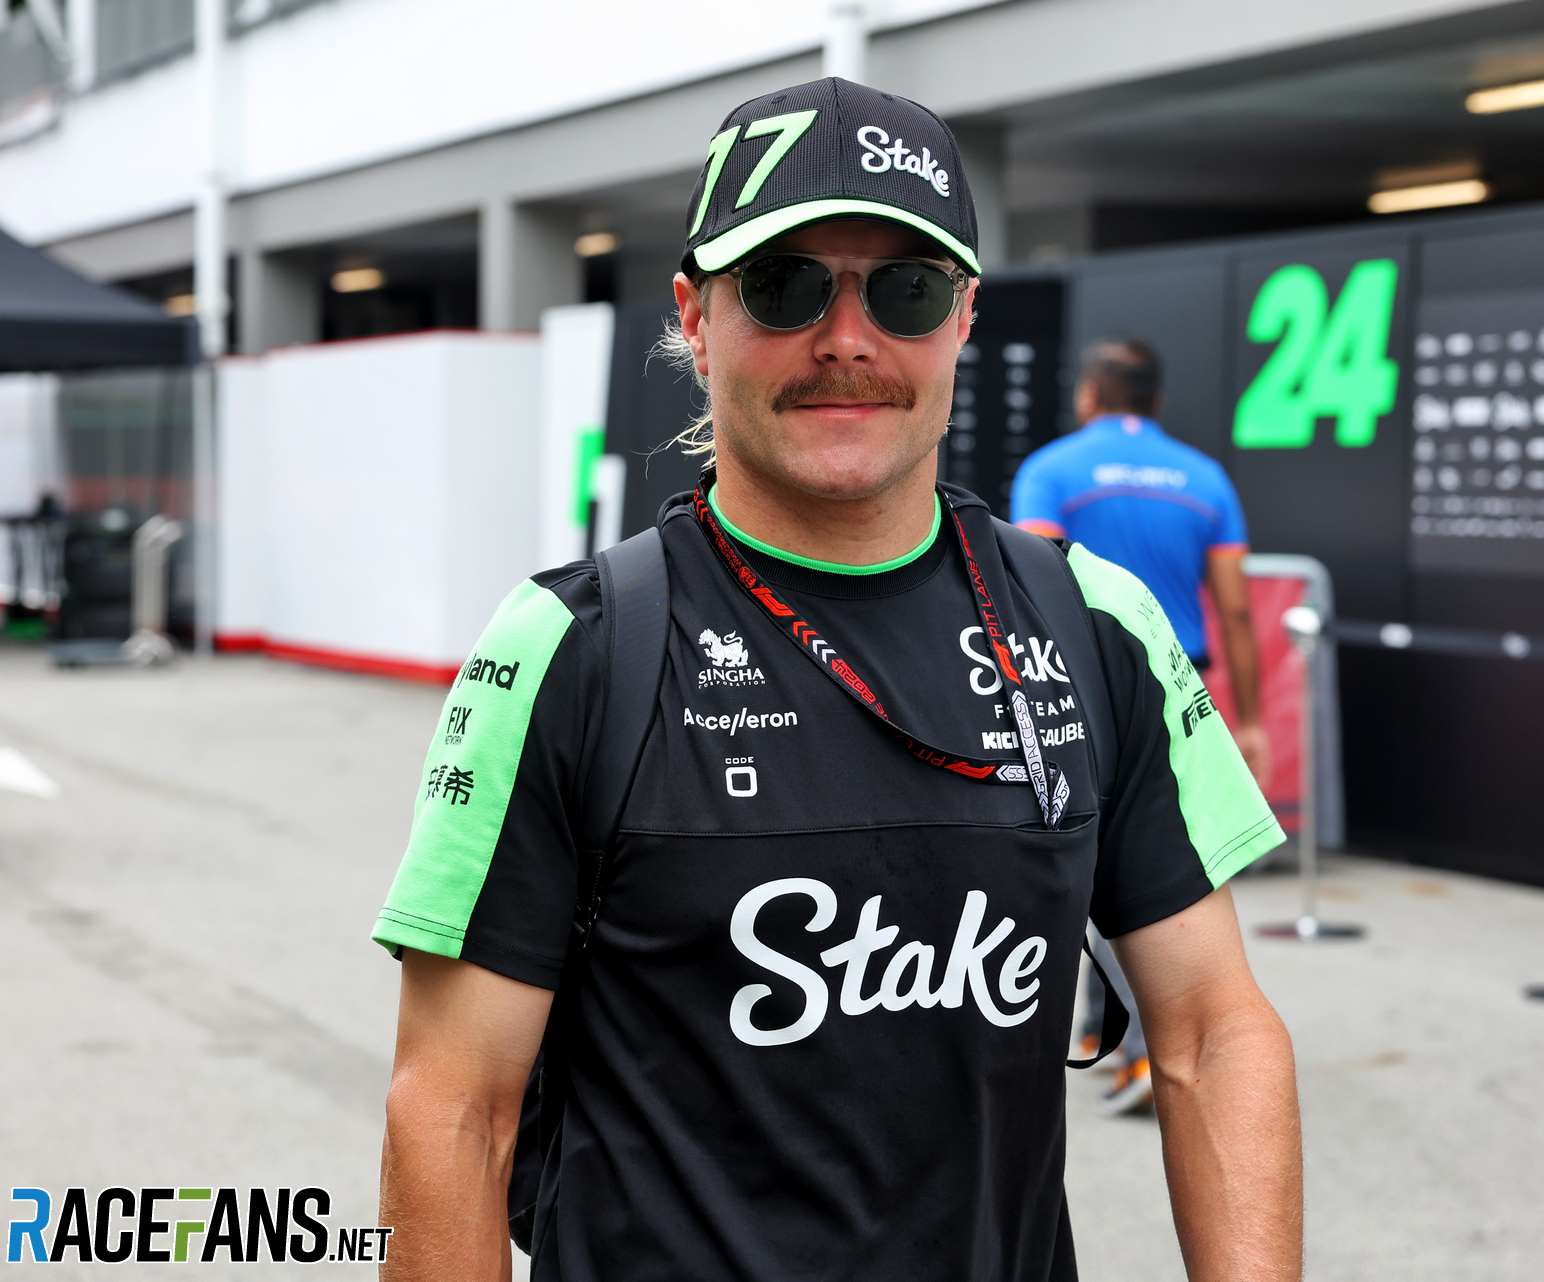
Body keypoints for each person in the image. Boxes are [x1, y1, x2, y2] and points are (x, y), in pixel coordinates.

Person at [372, 75, 1300, 1282]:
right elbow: (454, 1107)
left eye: (904, 289)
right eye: (785, 284)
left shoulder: (1094, 622)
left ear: (963, 317)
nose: (847, 340)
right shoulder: (566, 648)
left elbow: (1215, 1033)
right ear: (695, 316)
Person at [1012, 339, 1273, 1117]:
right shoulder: (1206, 478)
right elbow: (1235, 608)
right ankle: (1108, 1030)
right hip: (1175, 684)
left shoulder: (1051, 470)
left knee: (1105, 866)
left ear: (1090, 395)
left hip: (1073, 685)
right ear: (1155, 401)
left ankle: (1146, 1052)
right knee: (1165, 865)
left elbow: (1029, 584)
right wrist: (1252, 720)